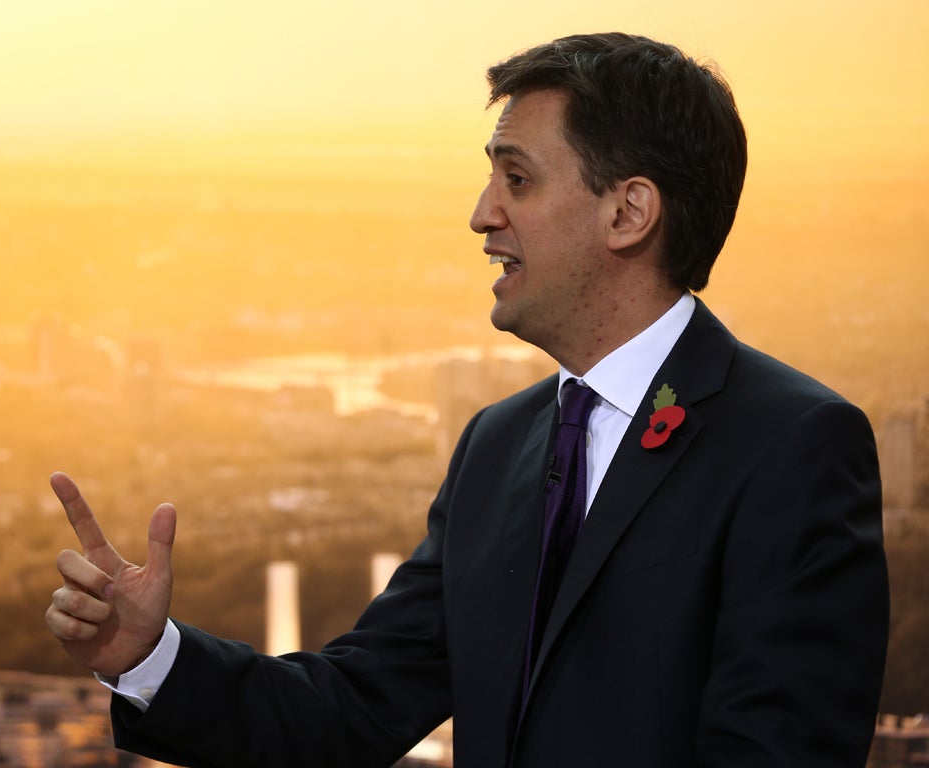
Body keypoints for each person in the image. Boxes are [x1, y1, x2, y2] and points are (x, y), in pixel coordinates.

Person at [46, 33, 889, 767]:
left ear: (629, 212)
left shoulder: (792, 446)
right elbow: (350, 712)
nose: (481, 215)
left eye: (516, 180)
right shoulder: (497, 446)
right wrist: (150, 656)